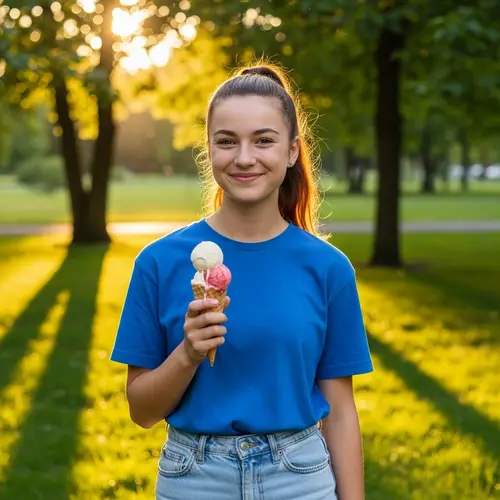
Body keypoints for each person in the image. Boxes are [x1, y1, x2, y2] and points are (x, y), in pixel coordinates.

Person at [110, 63, 374, 500]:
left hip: (300, 477)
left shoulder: (328, 268)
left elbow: (342, 414)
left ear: (292, 152)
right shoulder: (158, 262)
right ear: (209, 149)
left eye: (264, 140)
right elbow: (141, 411)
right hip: (194, 479)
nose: (245, 158)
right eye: (227, 141)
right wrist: (188, 354)